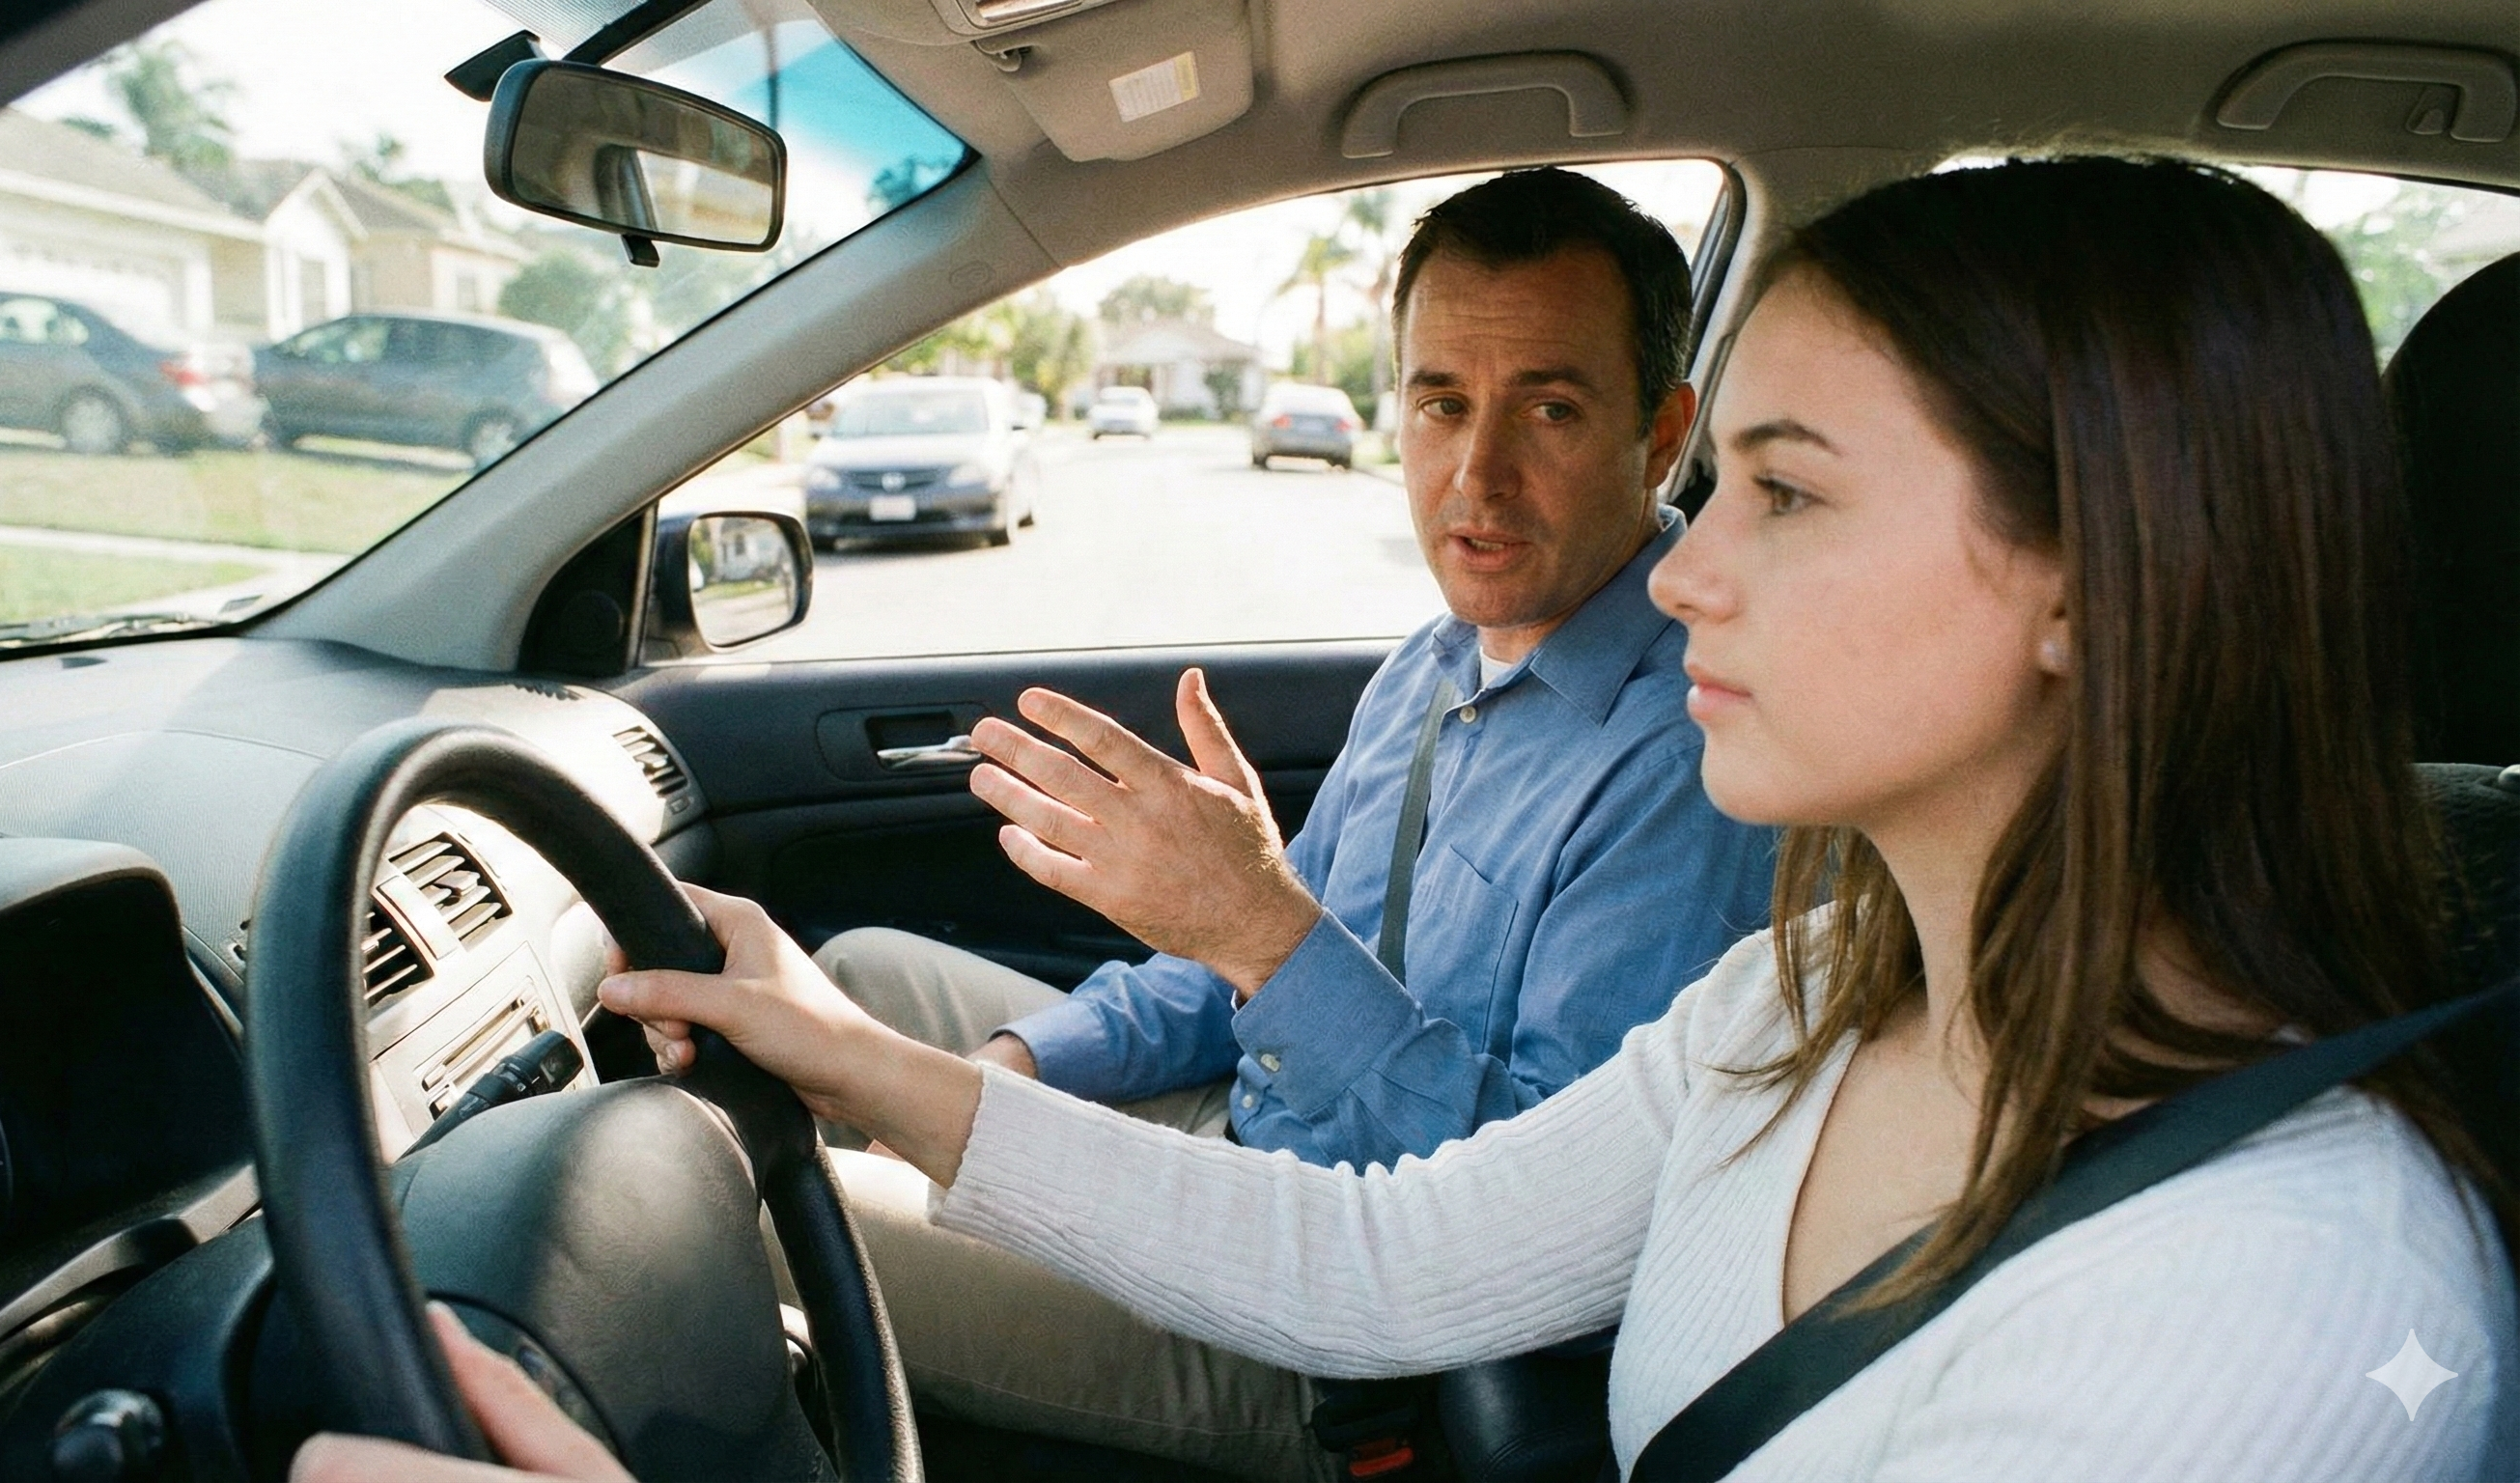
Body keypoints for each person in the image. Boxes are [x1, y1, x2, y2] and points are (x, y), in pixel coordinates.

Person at [300, 156, 2519, 1482]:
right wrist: (863, 1056)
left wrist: (1257, 943)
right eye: (1714, 475)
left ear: (2091, 580)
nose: (1679, 566)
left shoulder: (2288, 1311)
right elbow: (1364, 1258)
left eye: (1781, 493)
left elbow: (1387, 1239)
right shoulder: (1815, 1003)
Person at [678, 167, 1776, 1481]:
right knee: (858, 971)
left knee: (734, 1210)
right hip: (1248, 1132)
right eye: (1441, 404)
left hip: (1345, 1332)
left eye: (1548, 407)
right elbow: (1243, 960)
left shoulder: (1688, 760)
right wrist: (1029, 1062)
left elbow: (1510, 1232)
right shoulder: (1437, 663)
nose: (1477, 476)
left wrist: (1260, 935)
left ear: (1661, 436)